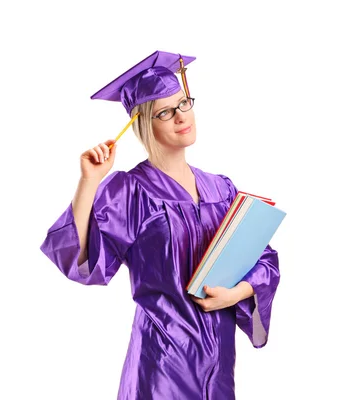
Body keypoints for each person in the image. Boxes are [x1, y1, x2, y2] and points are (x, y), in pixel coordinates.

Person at [40, 50, 280, 399]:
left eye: (184, 103)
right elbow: (79, 258)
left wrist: (235, 294)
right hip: (162, 366)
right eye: (165, 112)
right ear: (144, 124)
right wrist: (89, 183)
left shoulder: (221, 188)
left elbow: (264, 259)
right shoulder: (131, 191)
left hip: (220, 364)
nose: (181, 116)